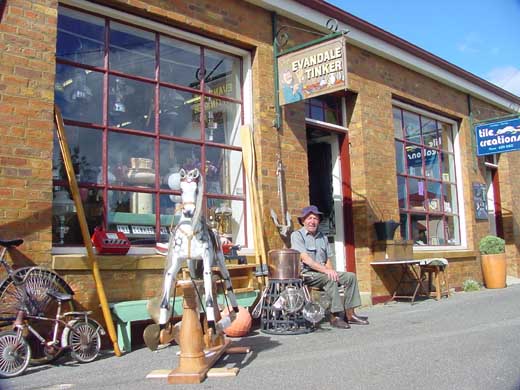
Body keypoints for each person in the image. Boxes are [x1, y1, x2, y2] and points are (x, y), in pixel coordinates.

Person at [290, 205, 369, 329]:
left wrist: (331, 271)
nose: (312, 221)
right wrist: (328, 272)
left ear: (319, 221)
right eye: (309, 218)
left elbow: (327, 259)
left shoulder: (323, 236)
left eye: (315, 218)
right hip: (307, 273)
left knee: (350, 277)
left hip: (322, 272)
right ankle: (335, 316)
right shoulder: (297, 236)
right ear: (303, 220)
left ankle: (350, 314)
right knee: (329, 278)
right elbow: (306, 260)